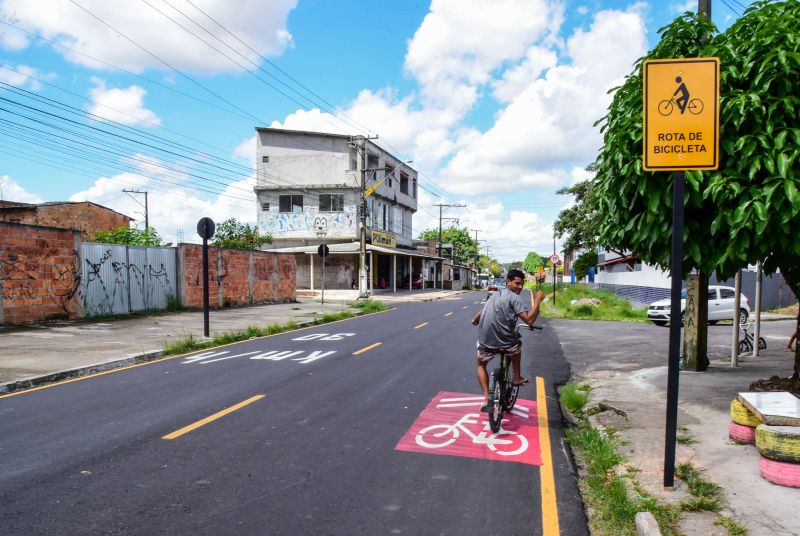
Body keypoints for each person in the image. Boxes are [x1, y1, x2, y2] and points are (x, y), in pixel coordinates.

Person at [471, 269, 545, 412]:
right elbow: (529, 320)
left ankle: (487, 398)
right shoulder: (515, 298)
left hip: (486, 342)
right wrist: (537, 300)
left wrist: (475, 320)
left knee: (480, 364)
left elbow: (482, 312)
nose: (520, 287)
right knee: (516, 345)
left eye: (522, 284)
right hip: (506, 342)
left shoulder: (493, 295)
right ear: (508, 282)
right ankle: (516, 377)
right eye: (517, 283)